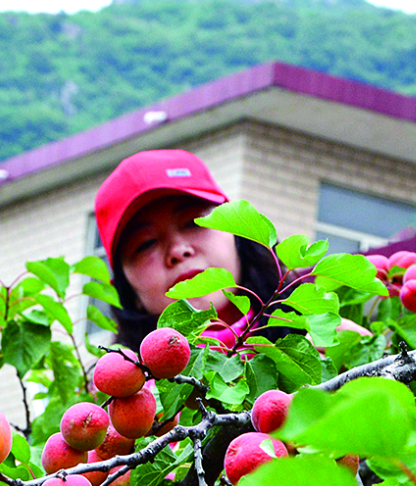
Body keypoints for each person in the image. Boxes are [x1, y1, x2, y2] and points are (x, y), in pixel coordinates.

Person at [94, 149, 288, 351]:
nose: (178, 251)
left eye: (193, 222)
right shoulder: (128, 380)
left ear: (237, 233)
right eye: (146, 244)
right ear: (126, 290)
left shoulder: (314, 333)